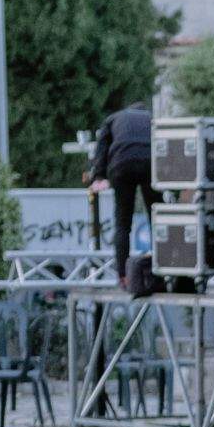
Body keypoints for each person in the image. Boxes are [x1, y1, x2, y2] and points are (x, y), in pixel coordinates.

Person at [86, 102, 160, 289]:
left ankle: (124, 276)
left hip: (121, 165)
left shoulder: (113, 118)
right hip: (150, 163)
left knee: (123, 222)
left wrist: (98, 175)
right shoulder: (152, 119)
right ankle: (160, 269)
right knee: (157, 217)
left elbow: (101, 147)